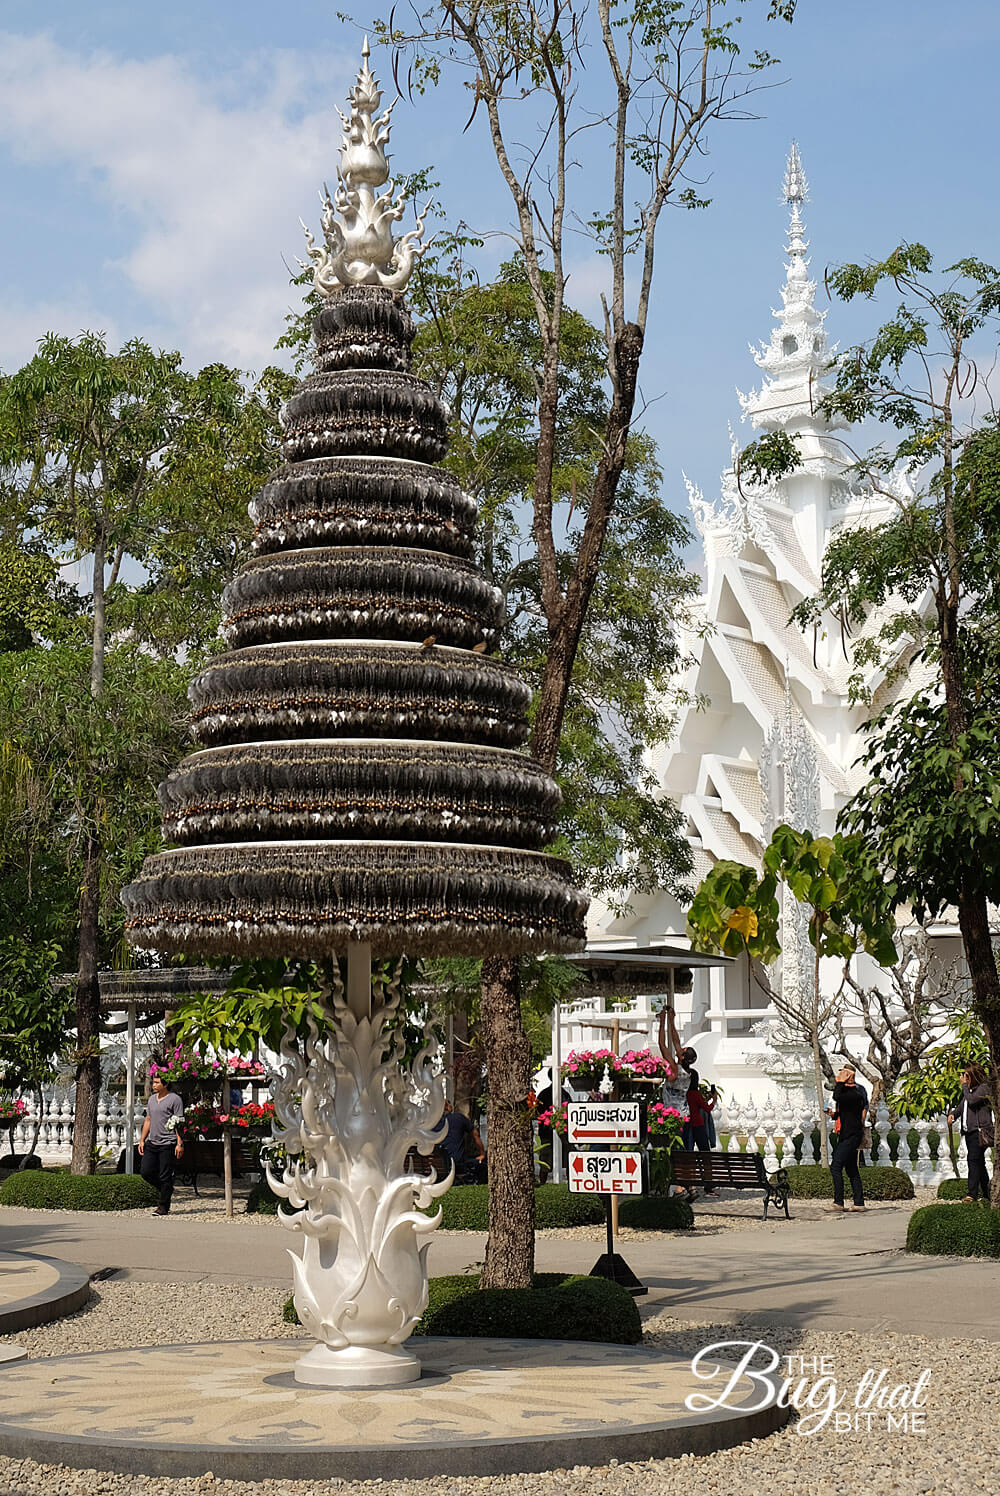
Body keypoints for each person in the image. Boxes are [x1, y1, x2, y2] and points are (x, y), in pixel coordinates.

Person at [658, 1004, 701, 1199]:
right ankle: (690, 1185)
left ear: (682, 1056)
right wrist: (671, 1020)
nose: (679, 1048)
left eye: (681, 1050)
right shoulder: (689, 1073)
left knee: (676, 1152)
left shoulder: (674, 1071)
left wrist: (661, 1023)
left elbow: (663, 1045)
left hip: (673, 1117)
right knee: (685, 1150)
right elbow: (676, 1042)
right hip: (685, 1116)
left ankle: (679, 1187)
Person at [138, 1072, 185, 1216]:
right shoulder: (152, 1100)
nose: (154, 1085)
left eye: (157, 1082)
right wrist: (142, 1139)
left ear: (165, 1084)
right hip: (153, 1142)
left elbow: (179, 1122)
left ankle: (163, 1206)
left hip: (168, 1143)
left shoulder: (175, 1099)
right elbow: (148, 1120)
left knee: (165, 1175)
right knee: (146, 1172)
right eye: (153, 1082)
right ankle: (167, 1189)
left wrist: (179, 1143)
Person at [947, 1064, 994, 1202]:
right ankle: (987, 1193)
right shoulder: (970, 1092)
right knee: (979, 1162)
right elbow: (963, 1106)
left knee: (973, 1161)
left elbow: (972, 1101)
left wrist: (964, 1087)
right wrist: (953, 1115)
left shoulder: (983, 1089)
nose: (964, 1078)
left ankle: (971, 1194)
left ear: (974, 1077)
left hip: (979, 1132)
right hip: (969, 1132)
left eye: (967, 1076)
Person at [826, 1064, 867, 1212]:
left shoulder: (856, 1093)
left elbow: (838, 1096)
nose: (841, 1075)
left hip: (852, 1134)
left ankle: (838, 1202)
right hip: (846, 1133)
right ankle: (859, 1203)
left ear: (850, 1075)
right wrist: (834, 1115)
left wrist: (840, 1082)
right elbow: (845, 1110)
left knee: (836, 1166)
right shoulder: (847, 1093)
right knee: (851, 1169)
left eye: (844, 1073)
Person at [532, 1071, 572, 1185]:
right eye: (561, 1077)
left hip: (564, 1132)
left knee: (569, 1157)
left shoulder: (566, 1094)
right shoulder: (544, 1094)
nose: (563, 1079)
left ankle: (571, 1183)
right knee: (545, 1161)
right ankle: (542, 1184)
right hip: (547, 1134)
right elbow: (537, 1112)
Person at [439, 1100, 485, 1183]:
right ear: (447, 1107)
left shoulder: (433, 1124)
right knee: (483, 1163)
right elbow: (475, 1134)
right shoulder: (459, 1118)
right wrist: (482, 1154)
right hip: (458, 1163)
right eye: (449, 1102)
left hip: (440, 1164)